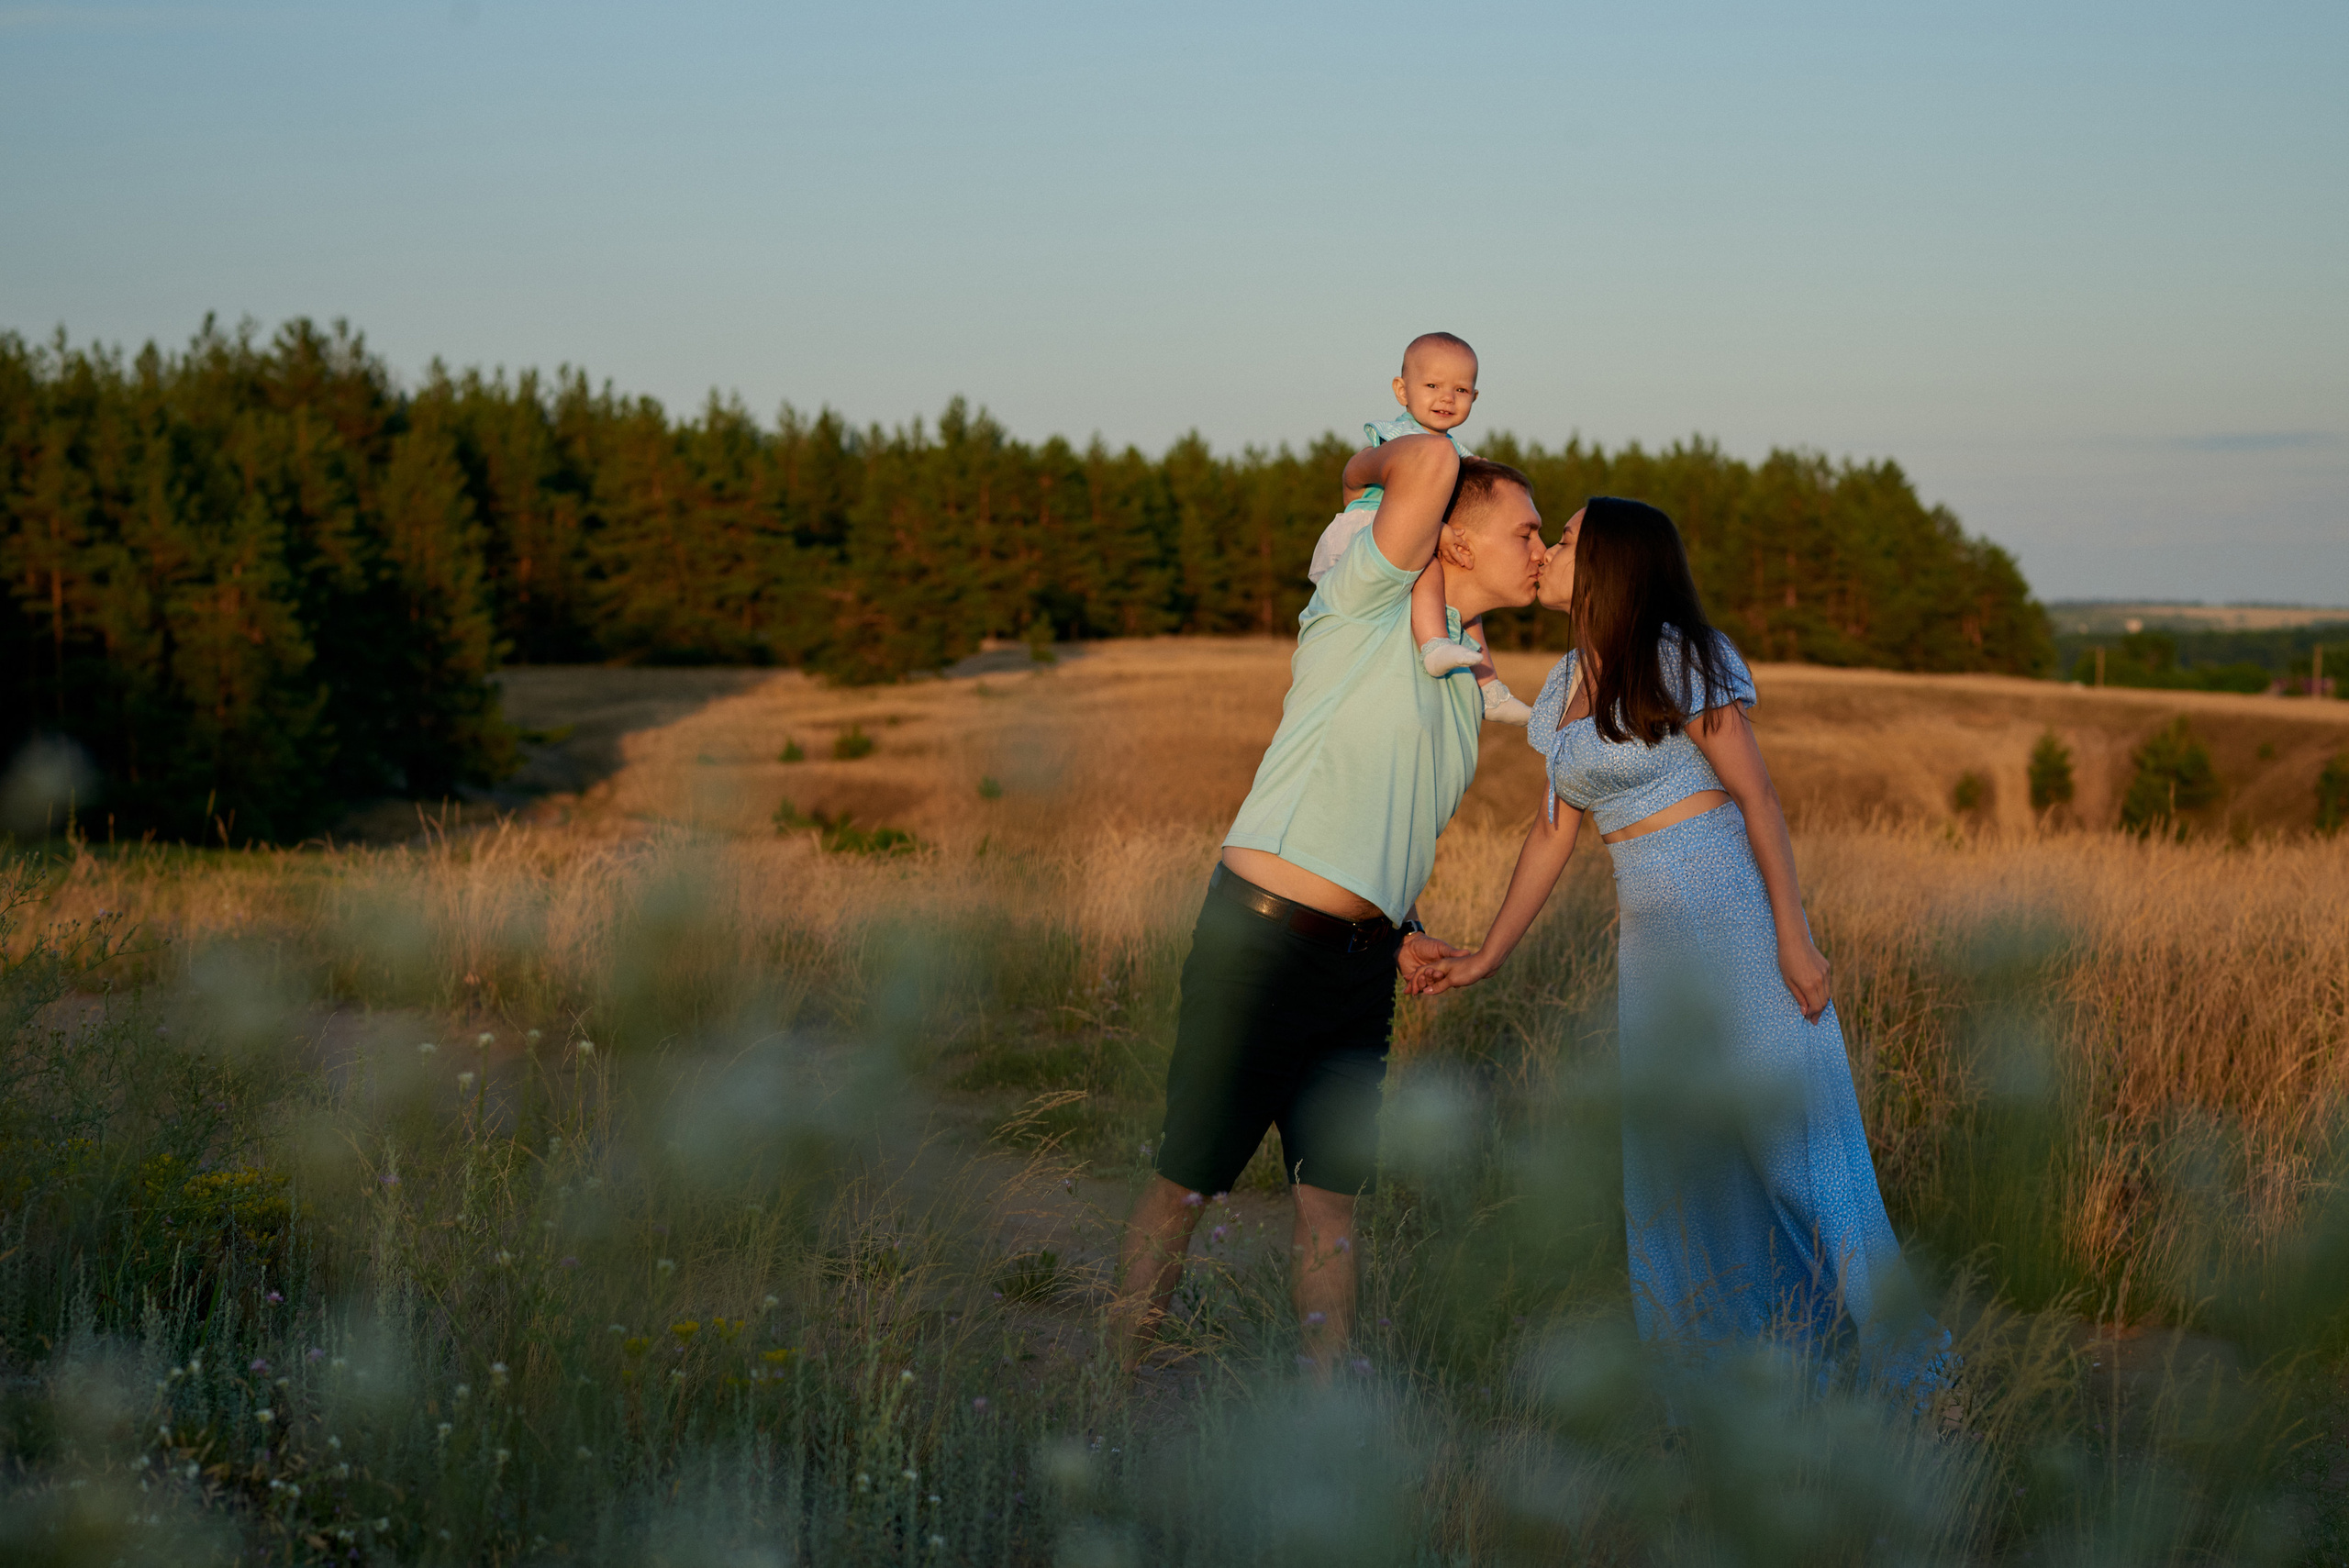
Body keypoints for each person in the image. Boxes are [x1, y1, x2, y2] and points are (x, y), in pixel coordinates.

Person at [1409, 496, 1951, 1396]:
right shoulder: (1561, 686)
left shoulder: (1671, 655)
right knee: (1678, 1163)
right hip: (1652, 952)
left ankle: (1924, 1381)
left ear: (1613, 560)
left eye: (1567, 537)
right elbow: (1550, 836)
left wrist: (1795, 937)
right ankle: (1721, 1389)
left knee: (1802, 1157)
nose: (1544, 550)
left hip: (1735, 922)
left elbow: (1758, 797)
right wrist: (1484, 955)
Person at [1113, 440, 1549, 1376]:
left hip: (1360, 961)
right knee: (1187, 1179)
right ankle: (1105, 1388)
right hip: (1260, 940)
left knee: (1331, 1199)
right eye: (1524, 528)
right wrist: (1369, 460)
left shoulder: (1467, 672)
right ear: (1456, 542)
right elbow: (1429, 459)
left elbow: (1384, 808)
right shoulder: (1367, 598)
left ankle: (1327, 1423)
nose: (1541, 546)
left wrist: (1405, 919)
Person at [1306, 332, 1534, 725]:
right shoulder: (1400, 436)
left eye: (1461, 389)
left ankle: (1490, 689)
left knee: (1466, 610)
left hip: (1417, 536)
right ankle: (1433, 646)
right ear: (1401, 390)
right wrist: (1439, 530)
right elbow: (1398, 487)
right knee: (1427, 565)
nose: (1447, 398)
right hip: (1374, 533)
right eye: (1432, 386)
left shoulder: (1457, 452)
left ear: (1474, 398)